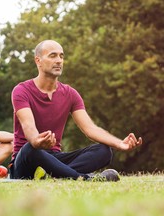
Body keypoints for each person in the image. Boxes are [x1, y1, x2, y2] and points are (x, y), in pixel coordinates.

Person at [10, 40, 142, 181]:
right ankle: (84, 179)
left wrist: (119, 144)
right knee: (31, 149)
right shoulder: (21, 90)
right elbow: (28, 126)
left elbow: (90, 129)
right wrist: (36, 141)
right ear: (38, 61)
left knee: (104, 151)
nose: (59, 61)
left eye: (61, 56)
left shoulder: (70, 94)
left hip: (55, 158)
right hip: (26, 161)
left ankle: (56, 175)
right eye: (53, 56)